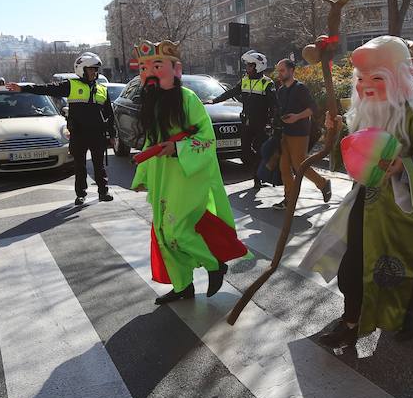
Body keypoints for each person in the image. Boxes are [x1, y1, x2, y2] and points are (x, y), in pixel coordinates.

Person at [300, 36, 413, 348]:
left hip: (411, 204)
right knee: (354, 262)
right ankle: (351, 320)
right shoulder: (363, 109)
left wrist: (403, 166)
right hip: (368, 199)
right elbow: (352, 155)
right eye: (361, 79)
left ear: (396, 77)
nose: (366, 86)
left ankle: (411, 313)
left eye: (376, 78)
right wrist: (336, 131)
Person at [130, 40, 250, 304]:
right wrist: (142, 177)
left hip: (188, 175)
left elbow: (207, 138)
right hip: (164, 174)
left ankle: (214, 264)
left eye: (156, 65)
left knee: (178, 229)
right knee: (163, 231)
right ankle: (182, 285)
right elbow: (151, 142)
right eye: (143, 67)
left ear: (176, 69)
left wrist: (177, 148)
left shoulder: (188, 99)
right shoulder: (153, 103)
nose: (149, 72)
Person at [7, 52, 115, 205]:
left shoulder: (102, 89)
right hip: (79, 133)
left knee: (99, 165)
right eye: (91, 69)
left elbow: (109, 114)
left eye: (96, 69)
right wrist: (23, 89)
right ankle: (81, 194)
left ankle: (103, 192)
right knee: (80, 166)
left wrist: (112, 134)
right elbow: (47, 89)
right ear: (82, 70)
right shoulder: (71, 85)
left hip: (97, 134)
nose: (94, 72)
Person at [211, 50, 277, 189]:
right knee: (245, 151)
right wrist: (215, 100)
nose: (247, 68)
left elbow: (274, 106)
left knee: (259, 150)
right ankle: (260, 170)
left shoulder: (267, 83)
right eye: (247, 65)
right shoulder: (245, 80)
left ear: (258, 66)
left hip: (261, 124)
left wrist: (272, 123)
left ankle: (257, 178)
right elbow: (232, 92)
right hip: (246, 122)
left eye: (249, 65)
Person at [272, 58, 331, 210]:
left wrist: (296, 117)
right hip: (285, 133)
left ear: (291, 71)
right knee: (284, 167)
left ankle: (323, 183)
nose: (279, 74)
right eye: (278, 71)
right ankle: (289, 200)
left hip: (299, 132)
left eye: (282, 70)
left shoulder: (300, 88)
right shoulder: (281, 90)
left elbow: (313, 108)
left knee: (299, 165)